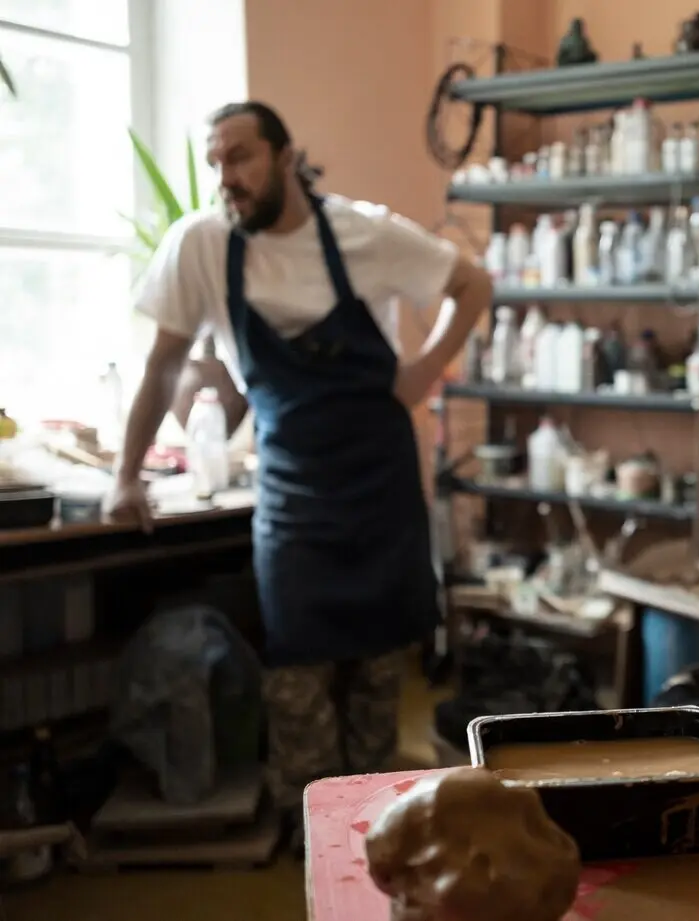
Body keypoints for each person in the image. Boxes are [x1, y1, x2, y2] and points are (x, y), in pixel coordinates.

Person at [103, 101, 491, 839]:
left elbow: (473, 285)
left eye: (241, 158)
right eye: (216, 162)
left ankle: (385, 839)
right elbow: (162, 367)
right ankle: (313, 842)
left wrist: (420, 373)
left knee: (380, 684)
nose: (227, 178)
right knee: (298, 686)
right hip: (293, 498)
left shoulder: (361, 231)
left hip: (379, 489)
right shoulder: (203, 246)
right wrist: (126, 475)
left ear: (285, 158)